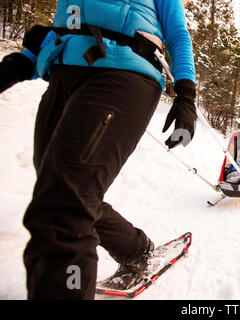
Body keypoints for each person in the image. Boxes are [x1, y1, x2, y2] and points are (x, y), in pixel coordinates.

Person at [0, 0, 196, 299]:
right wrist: (24, 60)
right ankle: (135, 250)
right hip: (65, 72)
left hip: (123, 70)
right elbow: (69, 22)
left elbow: (177, 33)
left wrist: (186, 94)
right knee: (60, 191)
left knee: (63, 204)